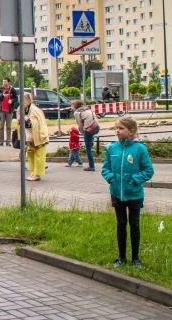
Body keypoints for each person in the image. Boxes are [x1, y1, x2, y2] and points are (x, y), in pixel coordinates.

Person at [101, 116, 154, 268]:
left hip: (134, 194)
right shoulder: (112, 148)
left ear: (131, 131)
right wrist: (111, 178)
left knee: (135, 225)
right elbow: (106, 168)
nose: (117, 131)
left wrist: (135, 179)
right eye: (116, 128)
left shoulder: (139, 149)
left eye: (121, 128)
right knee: (121, 224)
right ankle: (121, 257)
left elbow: (148, 170)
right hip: (117, 193)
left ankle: (136, 258)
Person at [23, 92, 49, 181]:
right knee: (31, 155)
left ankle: (37, 174)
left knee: (39, 156)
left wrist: (29, 120)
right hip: (30, 136)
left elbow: (41, 123)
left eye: (23, 100)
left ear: (29, 100)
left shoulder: (35, 110)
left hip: (38, 136)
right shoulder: (26, 109)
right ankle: (33, 172)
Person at [71, 100, 98, 171]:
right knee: (90, 140)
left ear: (75, 106)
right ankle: (91, 140)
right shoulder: (87, 109)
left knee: (88, 149)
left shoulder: (77, 112)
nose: (71, 107)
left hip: (88, 129)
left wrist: (82, 133)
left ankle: (91, 166)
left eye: (72, 105)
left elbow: (79, 124)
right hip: (96, 127)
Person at [0, 77, 19, 147]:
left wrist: (12, 100)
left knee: (8, 126)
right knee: (1, 126)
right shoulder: (0, 89)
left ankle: (8, 141)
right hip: (1, 110)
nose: (4, 83)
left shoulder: (12, 89)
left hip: (9, 110)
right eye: (3, 81)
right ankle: (1, 141)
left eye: (5, 82)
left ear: (8, 82)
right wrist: (2, 95)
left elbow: (16, 98)